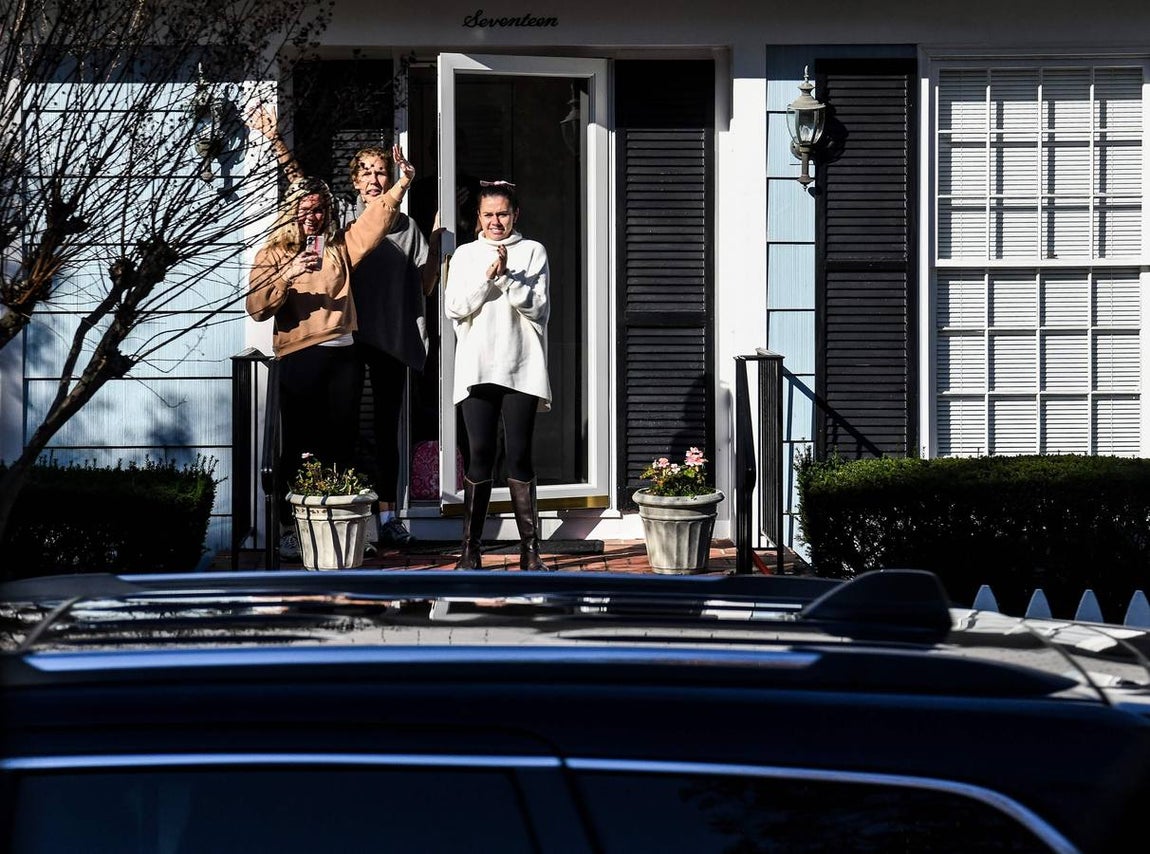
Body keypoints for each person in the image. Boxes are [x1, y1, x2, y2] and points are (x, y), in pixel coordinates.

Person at [248, 106, 440, 550]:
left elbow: (408, 263)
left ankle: (365, 522)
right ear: (354, 180)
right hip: (315, 347)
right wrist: (275, 139)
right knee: (303, 440)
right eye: (368, 172)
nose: (375, 178)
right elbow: (303, 191)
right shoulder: (316, 235)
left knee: (355, 438)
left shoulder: (379, 231)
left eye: (382, 172)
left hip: (365, 343)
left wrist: (429, 236)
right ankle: (292, 527)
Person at [443, 181, 554, 571]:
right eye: (488, 214)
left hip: (521, 365)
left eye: (502, 214)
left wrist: (506, 277)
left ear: (515, 215)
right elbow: (455, 307)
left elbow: (537, 308)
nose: (495, 221)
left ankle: (530, 550)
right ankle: (470, 550)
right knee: (479, 455)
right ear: (478, 217)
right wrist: (489, 277)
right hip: (477, 366)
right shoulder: (464, 255)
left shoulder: (533, 251)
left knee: (520, 455)